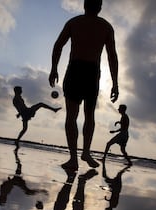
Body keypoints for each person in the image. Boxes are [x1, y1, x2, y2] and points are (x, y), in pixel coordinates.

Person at [49, 0, 119, 170]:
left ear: (84, 5)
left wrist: (54, 69)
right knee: (88, 115)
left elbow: (58, 46)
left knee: (74, 115)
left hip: (77, 69)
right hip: (90, 72)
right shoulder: (105, 26)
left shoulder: (74, 22)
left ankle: (76, 157)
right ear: (100, 7)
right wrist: (115, 82)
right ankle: (83, 153)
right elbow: (112, 56)